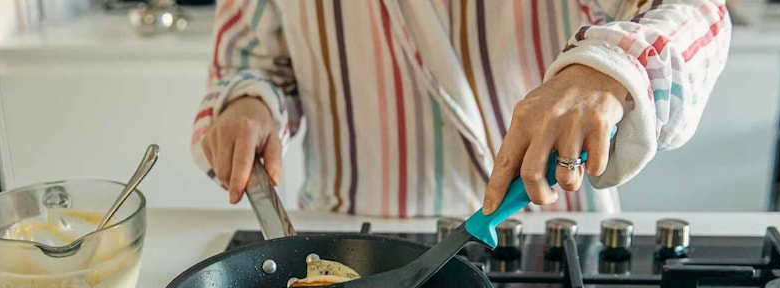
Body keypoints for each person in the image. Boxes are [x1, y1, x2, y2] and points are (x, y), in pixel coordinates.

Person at [191, 0, 730, 218]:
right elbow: (250, 60)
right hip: (349, 238)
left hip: (552, 230)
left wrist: (606, 67)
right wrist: (246, 103)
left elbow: (698, 11)